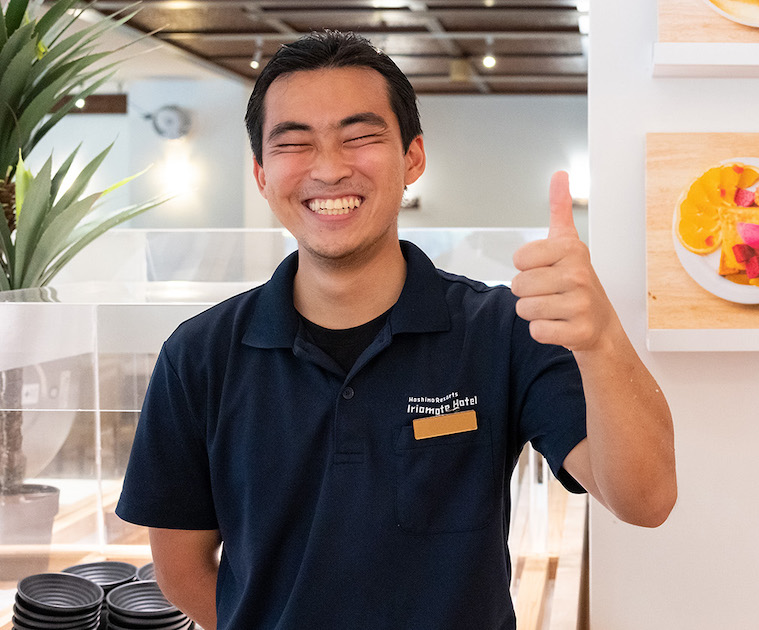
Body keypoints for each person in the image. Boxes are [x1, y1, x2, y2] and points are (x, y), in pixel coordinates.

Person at [115, 30, 675, 630]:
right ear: (261, 173)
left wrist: (601, 339)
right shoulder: (199, 356)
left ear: (413, 158)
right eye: (294, 143)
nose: (329, 168)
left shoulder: (501, 330)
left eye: (359, 137)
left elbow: (645, 500)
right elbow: (180, 569)